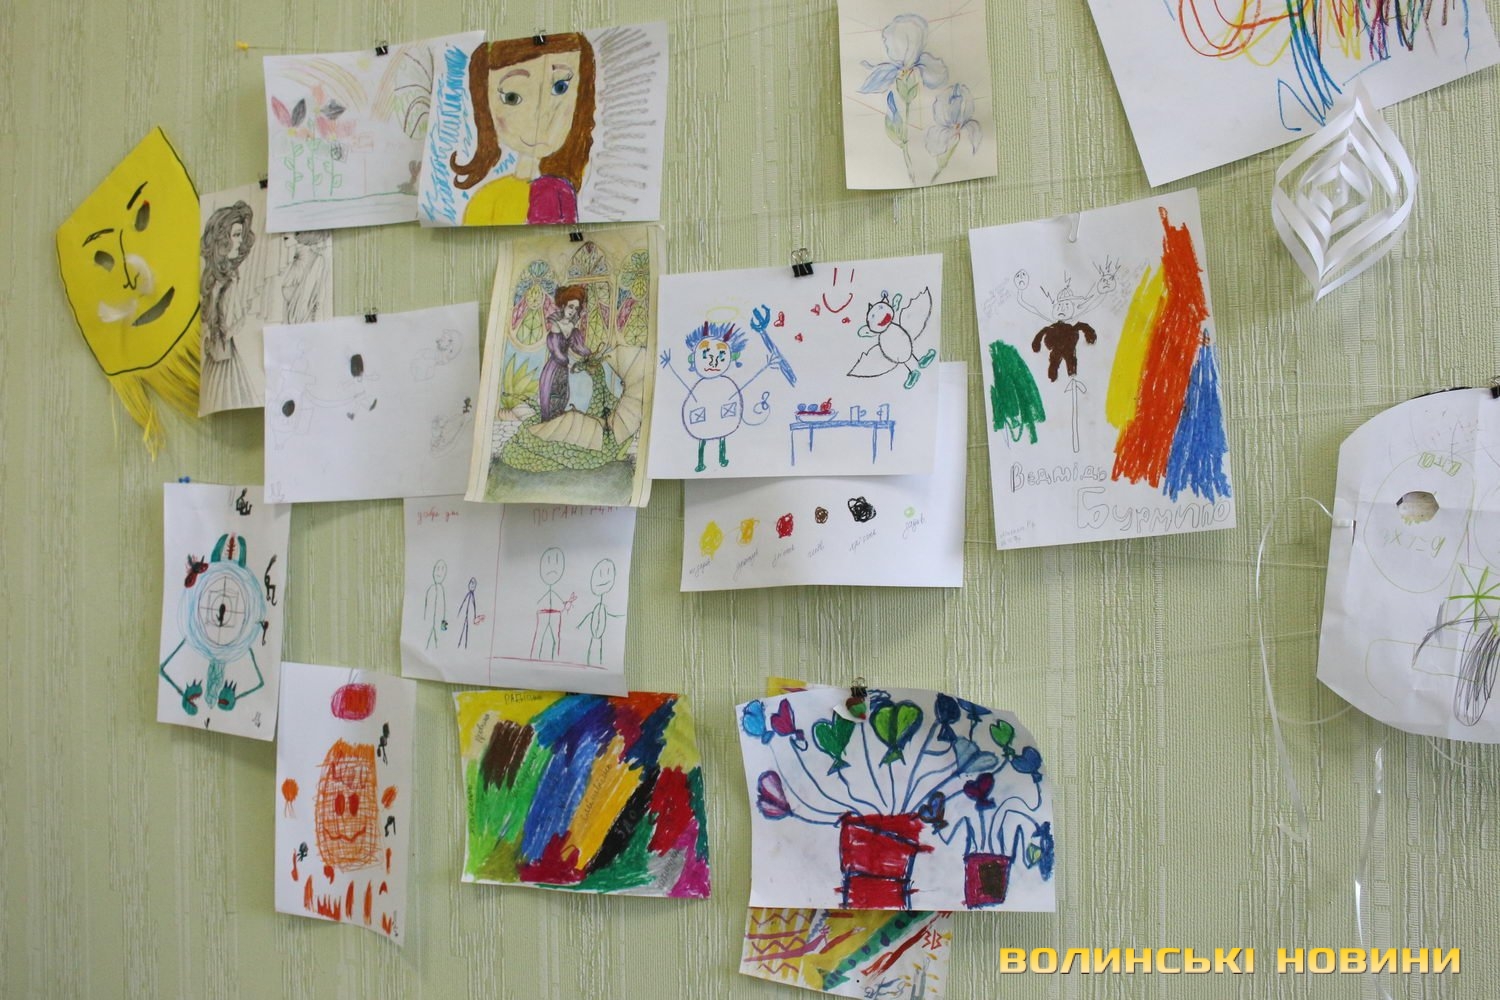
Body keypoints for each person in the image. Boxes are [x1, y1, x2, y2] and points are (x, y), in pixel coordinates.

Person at [451, 34, 597, 225]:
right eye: (512, 97)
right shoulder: (487, 198)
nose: (541, 114)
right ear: (485, 106)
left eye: (560, 87)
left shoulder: (558, 192)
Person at [199, 202, 258, 410]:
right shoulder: (227, 280)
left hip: (218, 352)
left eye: (241, 235)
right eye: (236, 235)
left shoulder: (217, 276)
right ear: (223, 239)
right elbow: (231, 325)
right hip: (222, 354)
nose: (240, 241)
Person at [538, 285, 591, 421]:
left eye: (576, 308)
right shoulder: (556, 325)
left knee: (562, 397)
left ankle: (556, 425)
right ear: (563, 306)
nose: (573, 311)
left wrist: (590, 355)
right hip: (553, 369)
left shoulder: (573, 329)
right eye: (570, 307)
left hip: (563, 371)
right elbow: (556, 352)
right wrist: (568, 363)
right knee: (552, 397)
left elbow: (579, 348)